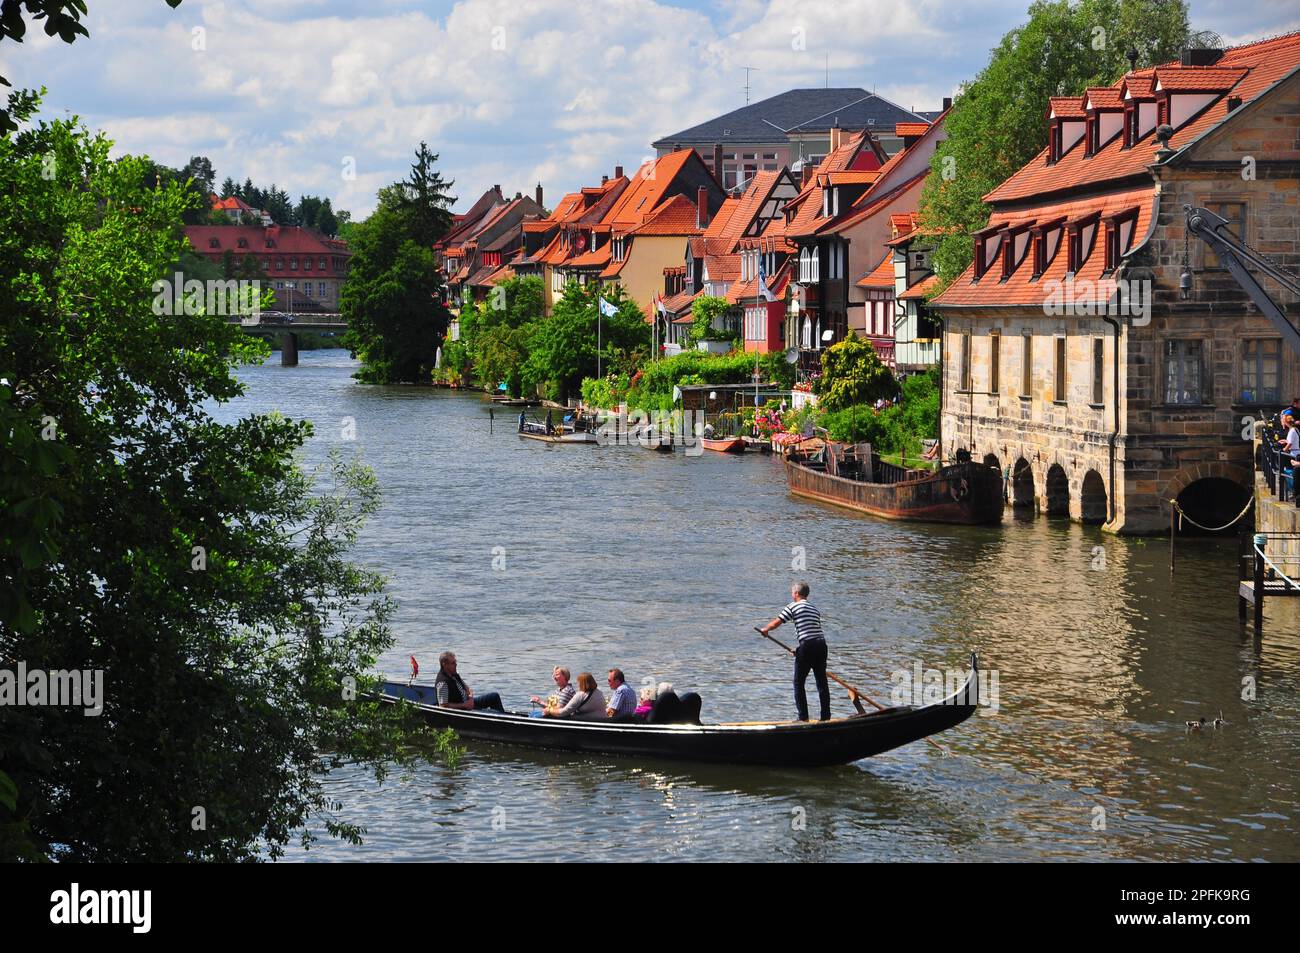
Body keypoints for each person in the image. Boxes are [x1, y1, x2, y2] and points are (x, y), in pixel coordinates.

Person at [759, 581, 831, 722]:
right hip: (821, 645)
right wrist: (799, 651)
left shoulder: (793, 606)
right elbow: (812, 633)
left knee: (798, 682)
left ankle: (803, 718)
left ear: (796, 593)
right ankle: (825, 717)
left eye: (792, 592)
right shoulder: (814, 608)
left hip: (808, 646)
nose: (792, 595)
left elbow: (777, 621)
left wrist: (765, 629)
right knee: (821, 682)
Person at [434, 651, 505, 712]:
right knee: (484, 709)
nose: (456, 664)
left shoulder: (454, 674)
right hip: (462, 708)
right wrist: (464, 705)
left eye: (455, 662)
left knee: (494, 696)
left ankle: (502, 716)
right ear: (445, 664)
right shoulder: (443, 683)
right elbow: (443, 706)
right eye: (453, 663)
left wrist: (470, 698)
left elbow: (467, 688)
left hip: (469, 703)